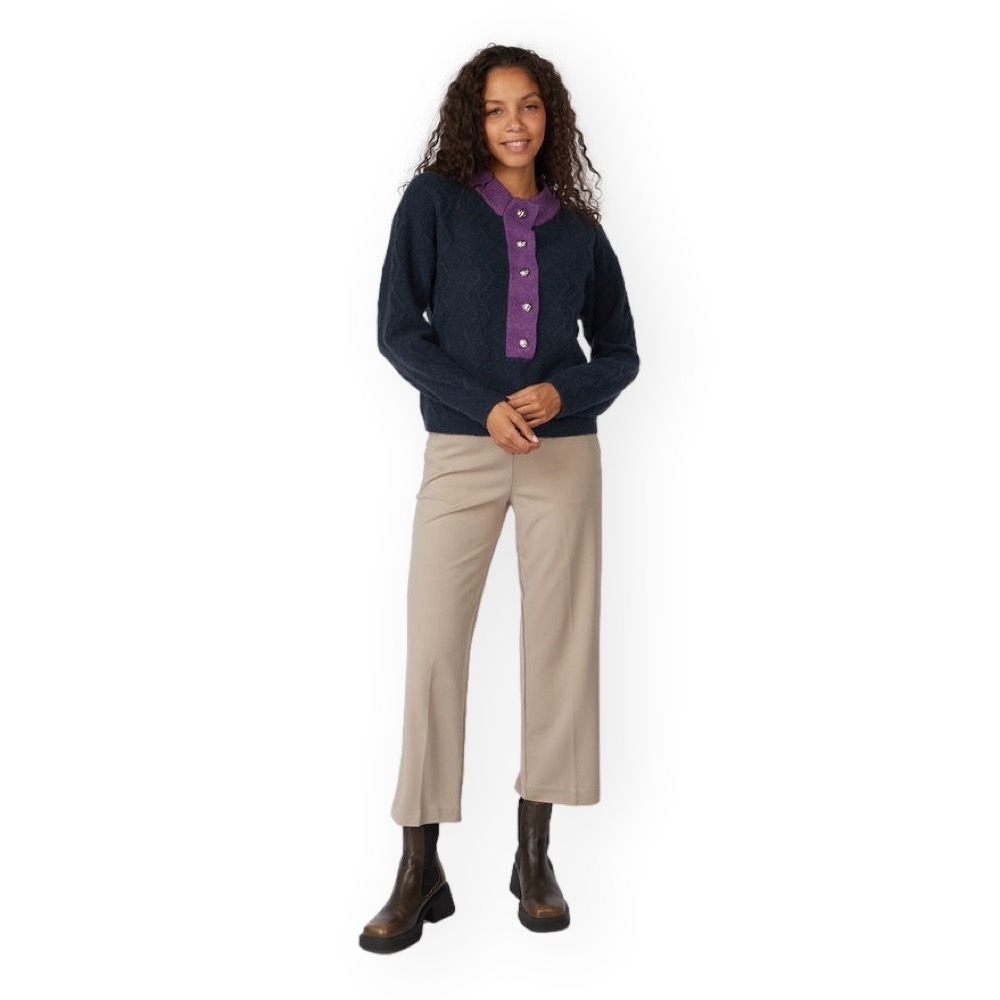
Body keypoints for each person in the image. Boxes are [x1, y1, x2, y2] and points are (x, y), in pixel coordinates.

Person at [359, 42, 640, 954]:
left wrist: (564, 392)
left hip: (564, 456)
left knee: (559, 646)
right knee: (434, 649)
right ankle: (419, 865)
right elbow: (399, 331)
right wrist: (483, 405)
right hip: (461, 449)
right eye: (493, 109)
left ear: (550, 116)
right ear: (470, 121)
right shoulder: (433, 204)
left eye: (528, 106)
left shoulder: (579, 231)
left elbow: (622, 351)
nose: (513, 123)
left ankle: (534, 855)